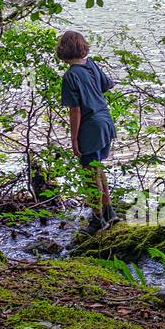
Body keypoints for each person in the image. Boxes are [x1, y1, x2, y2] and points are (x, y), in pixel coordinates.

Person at [56, 30, 117, 230]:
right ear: (82, 47)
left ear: (63, 50)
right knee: (96, 166)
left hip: (90, 125)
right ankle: (109, 211)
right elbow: (108, 85)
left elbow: (75, 110)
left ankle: (97, 218)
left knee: (90, 173)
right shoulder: (91, 65)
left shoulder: (70, 76)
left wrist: (74, 139)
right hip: (106, 120)